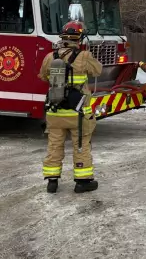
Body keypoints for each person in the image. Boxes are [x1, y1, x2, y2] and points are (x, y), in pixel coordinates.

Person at [38, 20, 103, 194]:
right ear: (79, 38)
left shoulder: (50, 57)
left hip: (55, 111)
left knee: (54, 145)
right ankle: (82, 182)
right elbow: (98, 71)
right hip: (78, 113)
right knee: (81, 145)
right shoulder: (84, 56)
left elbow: (43, 76)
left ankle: (52, 181)